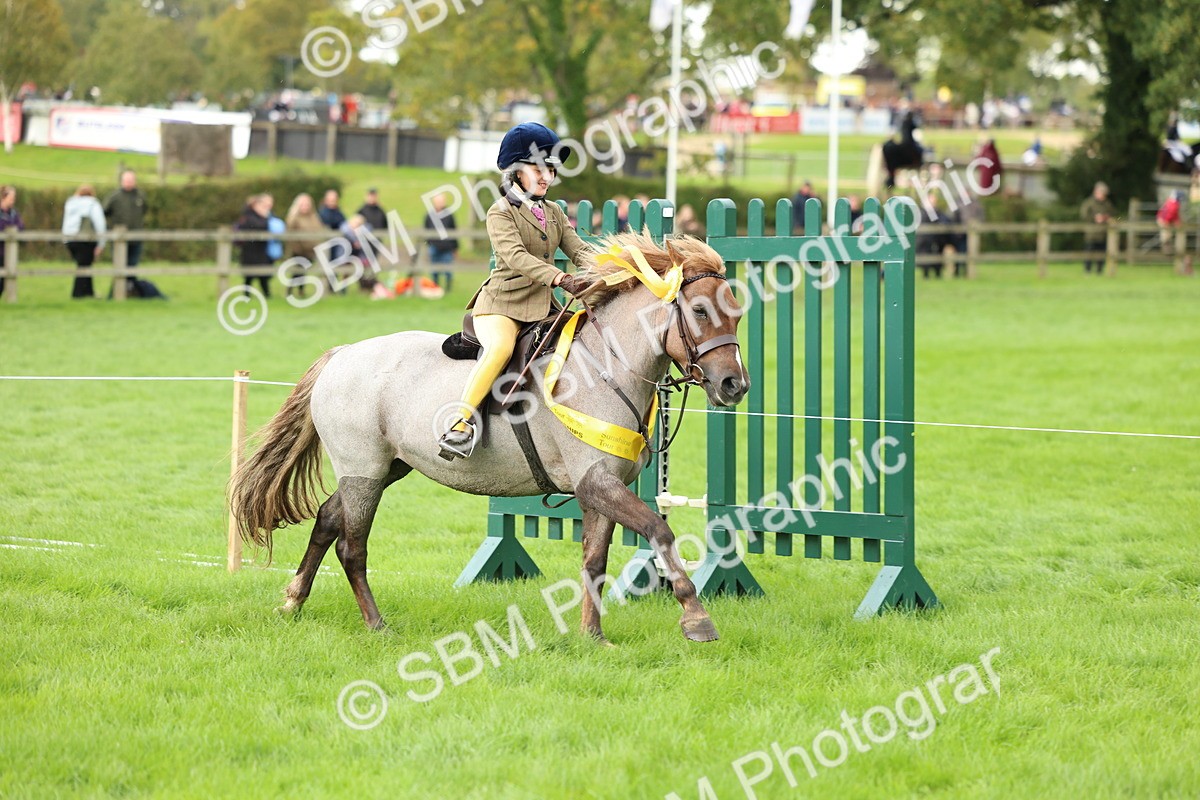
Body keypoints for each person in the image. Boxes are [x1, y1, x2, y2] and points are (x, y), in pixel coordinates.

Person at [437, 122, 593, 460]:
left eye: (550, 169)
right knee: (500, 350)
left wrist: (617, 265)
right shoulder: (500, 211)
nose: (546, 177)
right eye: (538, 168)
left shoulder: (554, 212)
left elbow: (580, 250)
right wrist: (560, 278)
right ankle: (460, 424)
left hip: (544, 306)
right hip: (502, 305)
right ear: (516, 172)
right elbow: (515, 257)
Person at [103, 169, 147, 293]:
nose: (129, 182)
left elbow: (144, 210)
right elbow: (104, 213)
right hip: (118, 240)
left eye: (131, 180)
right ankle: (116, 294)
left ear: (135, 181)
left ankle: (132, 293)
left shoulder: (140, 196)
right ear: (122, 181)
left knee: (132, 267)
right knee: (120, 268)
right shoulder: (114, 197)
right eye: (126, 180)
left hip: (136, 239)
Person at [62, 185, 107, 299]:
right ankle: (77, 294)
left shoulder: (70, 203)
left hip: (69, 239)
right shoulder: (92, 203)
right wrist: (101, 243)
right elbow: (100, 223)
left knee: (84, 265)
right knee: (84, 267)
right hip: (84, 239)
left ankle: (88, 293)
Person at [284, 193, 325, 298]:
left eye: (307, 204)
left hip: (311, 250)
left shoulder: (314, 217)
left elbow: (319, 231)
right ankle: (291, 291)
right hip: (298, 250)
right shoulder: (293, 218)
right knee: (297, 272)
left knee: (304, 271)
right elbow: (290, 234)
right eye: (303, 204)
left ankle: (300, 291)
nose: (305, 207)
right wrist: (297, 248)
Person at [235, 194, 274, 297]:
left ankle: (266, 295)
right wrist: (265, 218)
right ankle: (247, 295)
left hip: (260, 251)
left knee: (263, 275)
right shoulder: (249, 216)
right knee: (250, 275)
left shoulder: (261, 216)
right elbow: (259, 227)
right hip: (250, 251)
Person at [423, 193, 459, 291]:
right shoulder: (429, 215)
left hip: (447, 248)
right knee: (434, 270)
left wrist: (455, 248)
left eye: (441, 201)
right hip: (434, 247)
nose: (440, 203)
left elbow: (454, 231)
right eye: (438, 201)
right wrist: (428, 243)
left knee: (448, 270)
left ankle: (448, 289)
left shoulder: (449, 215)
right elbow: (425, 230)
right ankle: (435, 287)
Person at [1080, 181, 1115, 274]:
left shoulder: (1107, 204)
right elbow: (1084, 215)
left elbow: (1112, 215)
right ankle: (1087, 271)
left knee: (1101, 253)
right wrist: (1095, 218)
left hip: (1103, 233)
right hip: (1091, 233)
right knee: (1089, 253)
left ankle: (1099, 271)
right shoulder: (1088, 203)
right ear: (1096, 192)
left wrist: (1106, 218)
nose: (1104, 196)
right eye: (1102, 193)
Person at [0, 186, 24, 297]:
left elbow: (21, 227)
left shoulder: (14, 213)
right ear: (3, 197)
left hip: (8, 253)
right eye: (11, 197)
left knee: (5, 279)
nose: (13, 200)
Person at [1157, 191, 1184, 255]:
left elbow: (1175, 214)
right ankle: (1166, 252)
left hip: (1165, 220)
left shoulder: (1173, 203)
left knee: (1168, 236)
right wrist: (1168, 222)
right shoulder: (1172, 203)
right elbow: (1168, 214)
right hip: (1164, 220)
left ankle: (1168, 251)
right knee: (1166, 236)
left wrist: (1177, 221)